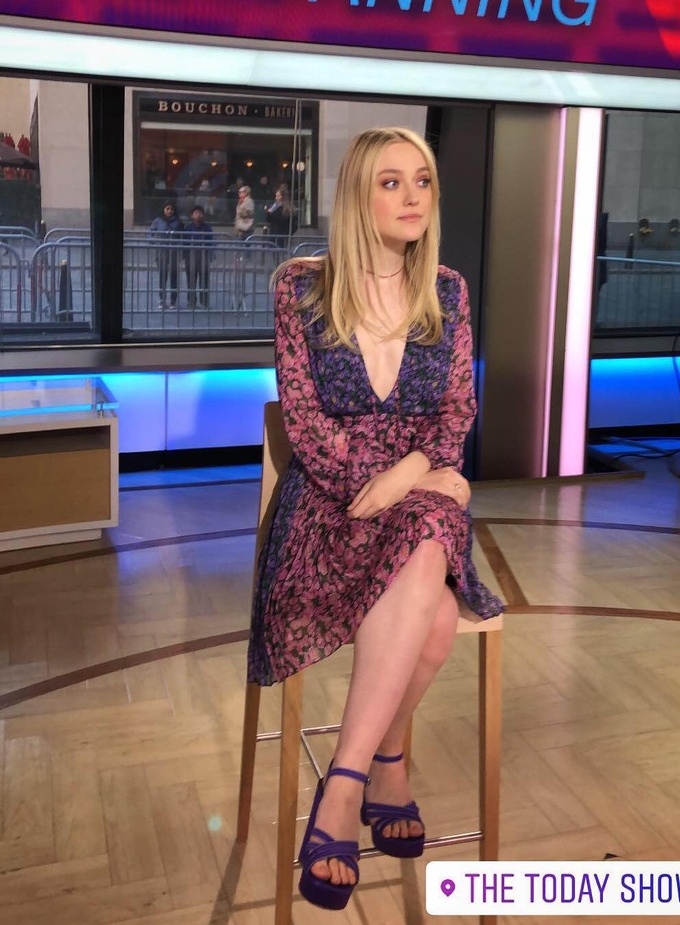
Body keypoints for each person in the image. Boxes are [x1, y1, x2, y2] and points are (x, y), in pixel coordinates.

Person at [247, 127, 503, 911]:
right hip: (329, 504)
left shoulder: (448, 292)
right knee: (434, 608)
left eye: (422, 180)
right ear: (357, 193)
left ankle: (345, 781)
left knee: (426, 534)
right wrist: (398, 477)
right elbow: (306, 422)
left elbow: (456, 412)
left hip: (412, 498)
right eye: (391, 181)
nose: (412, 195)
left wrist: (413, 472)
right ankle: (385, 760)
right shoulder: (300, 288)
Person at [148, 200, 183, 309]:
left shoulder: (178, 222)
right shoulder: (158, 221)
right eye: (167, 208)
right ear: (163, 210)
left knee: (174, 276)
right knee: (163, 276)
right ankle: (162, 300)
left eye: (171, 209)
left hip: (174, 253)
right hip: (162, 253)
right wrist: (153, 240)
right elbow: (150, 233)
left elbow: (183, 236)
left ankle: (173, 301)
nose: (169, 211)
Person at [183, 205, 214, 308]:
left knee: (204, 280)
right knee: (191, 280)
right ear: (192, 215)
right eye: (196, 213)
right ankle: (191, 301)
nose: (198, 215)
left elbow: (211, 242)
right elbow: (184, 242)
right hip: (190, 257)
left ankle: (204, 301)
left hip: (203, 257)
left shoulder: (207, 228)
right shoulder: (188, 228)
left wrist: (211, 255)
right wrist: (185, 255)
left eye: (200, 213)